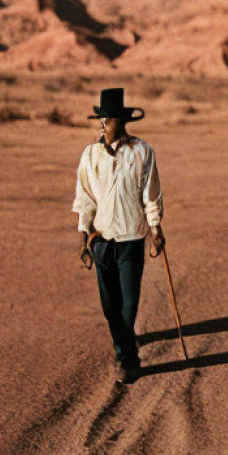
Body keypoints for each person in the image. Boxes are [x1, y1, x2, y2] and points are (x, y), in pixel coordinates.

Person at [72, 87, 165, 385]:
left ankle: (126, 358)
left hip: (131, 237)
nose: (102, 124)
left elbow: (151, 195)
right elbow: (84, 197)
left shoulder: (142, 152)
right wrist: (82, 235)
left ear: (121, 121)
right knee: (109, 304)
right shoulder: (89, 154)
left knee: (129, 302)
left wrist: (156, 228)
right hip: (100, 239)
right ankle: (125, 343)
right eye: (100, 119)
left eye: (107, 118)